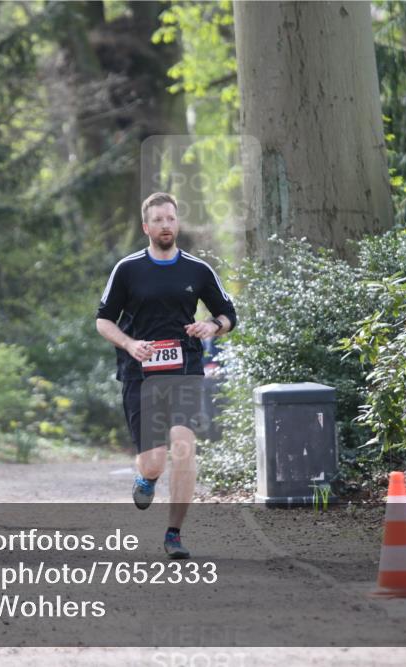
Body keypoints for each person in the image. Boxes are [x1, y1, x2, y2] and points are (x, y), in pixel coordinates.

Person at [96, 192, 237, 559]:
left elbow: (227, 315)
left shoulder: (198, 270)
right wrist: (129, 344)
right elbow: (103, 320)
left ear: (177, 224)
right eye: (158, 220)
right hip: (139, 373)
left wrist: (211, 326)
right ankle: (147, 477)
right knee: (154, 460)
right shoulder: (127, 269)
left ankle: (174, 532)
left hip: (185, 368)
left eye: (170, 219)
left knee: (184, 445)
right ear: (146, 227)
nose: (165, 225)